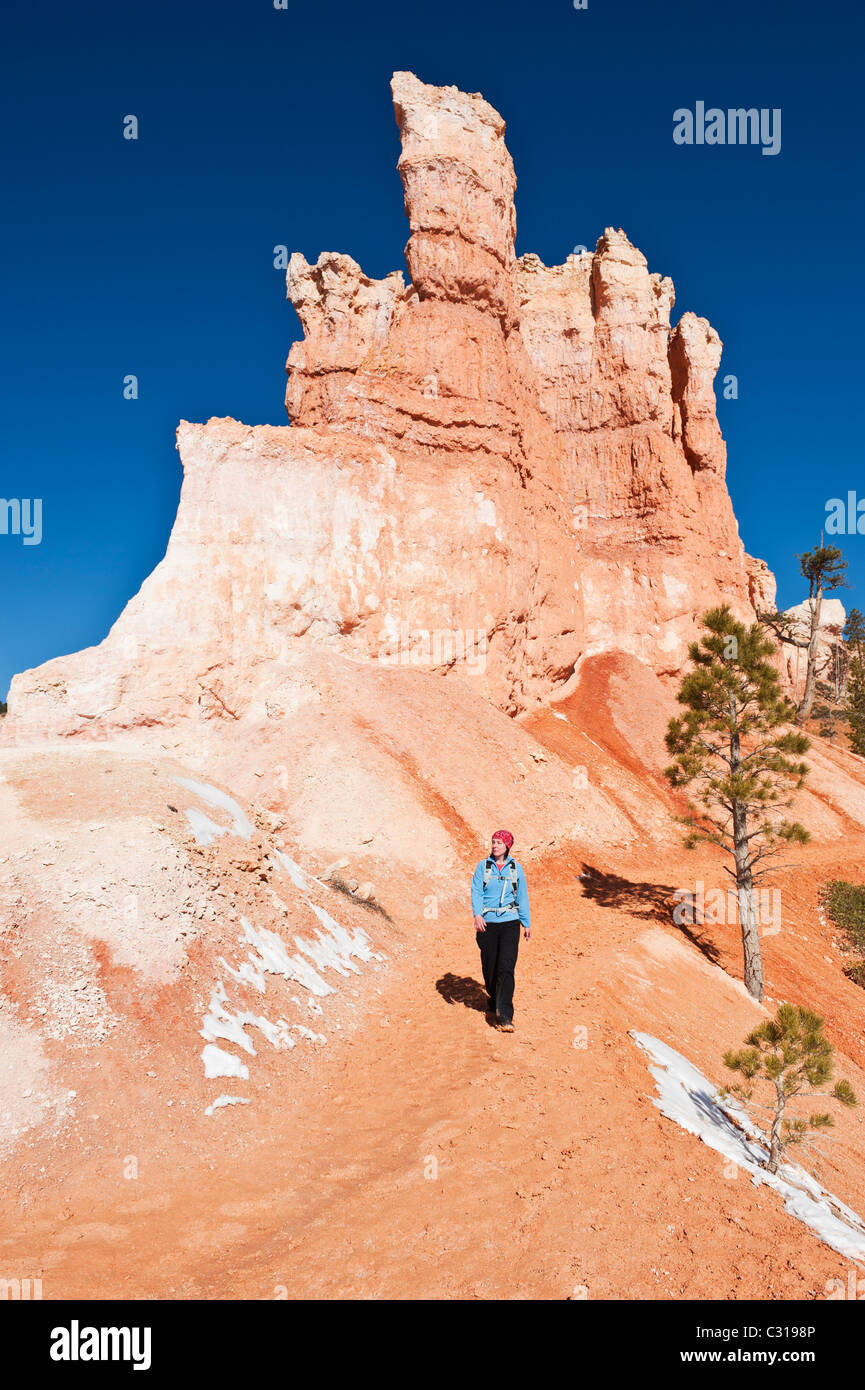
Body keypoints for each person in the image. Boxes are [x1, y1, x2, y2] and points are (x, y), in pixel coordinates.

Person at [470, 830, 530, 1031]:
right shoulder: (483, 867)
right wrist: (477, 914)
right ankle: (493, 999)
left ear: (507, 846)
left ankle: (504, 1015)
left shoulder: (515, 868)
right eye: (493, 842)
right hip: (487, 923)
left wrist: (526, 923)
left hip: (510, 922)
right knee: (490, 966)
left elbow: (522, 896)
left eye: (499, 843)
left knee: (506, 967)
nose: (495, 846)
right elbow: (476, 891)